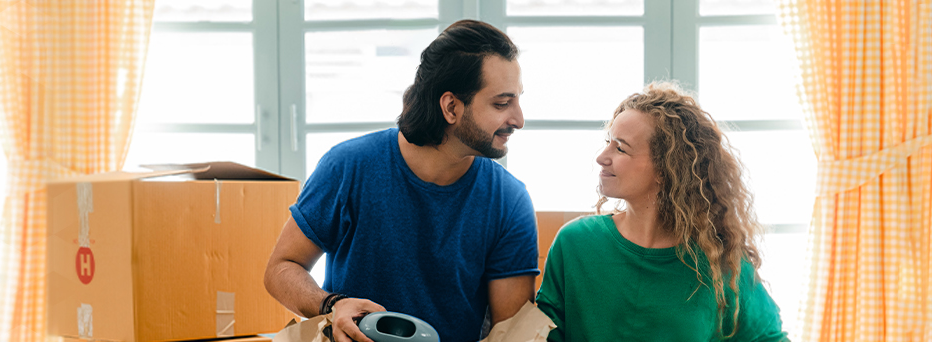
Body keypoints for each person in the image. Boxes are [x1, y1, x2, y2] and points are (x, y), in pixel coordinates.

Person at [264, 19, 538, 342]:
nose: (519, 119)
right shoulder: (348, 167)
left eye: (518, 100)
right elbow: (280, 269)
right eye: (502, 104)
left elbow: (511, 335)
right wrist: (331, 304)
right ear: (451, 107)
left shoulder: (510, 201)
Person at [534, 82, 788, 341]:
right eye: (608, 142)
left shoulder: (720, 263)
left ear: (667, 169)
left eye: (620, 148)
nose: (601, 157)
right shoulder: (574, 244)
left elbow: (769, 337)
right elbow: (543, 335)